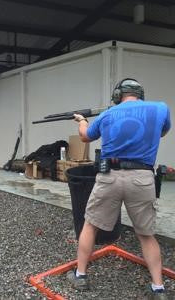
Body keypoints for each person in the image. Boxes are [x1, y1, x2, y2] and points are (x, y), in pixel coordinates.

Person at [67, 78, 171, 299]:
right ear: (139, 94)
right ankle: (159, 288)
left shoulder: (107, 114)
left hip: (109, 177)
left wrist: (82, 120)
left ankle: (81, 276)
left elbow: (85, 137)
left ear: (117, 95)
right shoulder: (161, 108)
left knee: (91, 225)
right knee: (146, 234)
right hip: (142, 178)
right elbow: (161, 132)